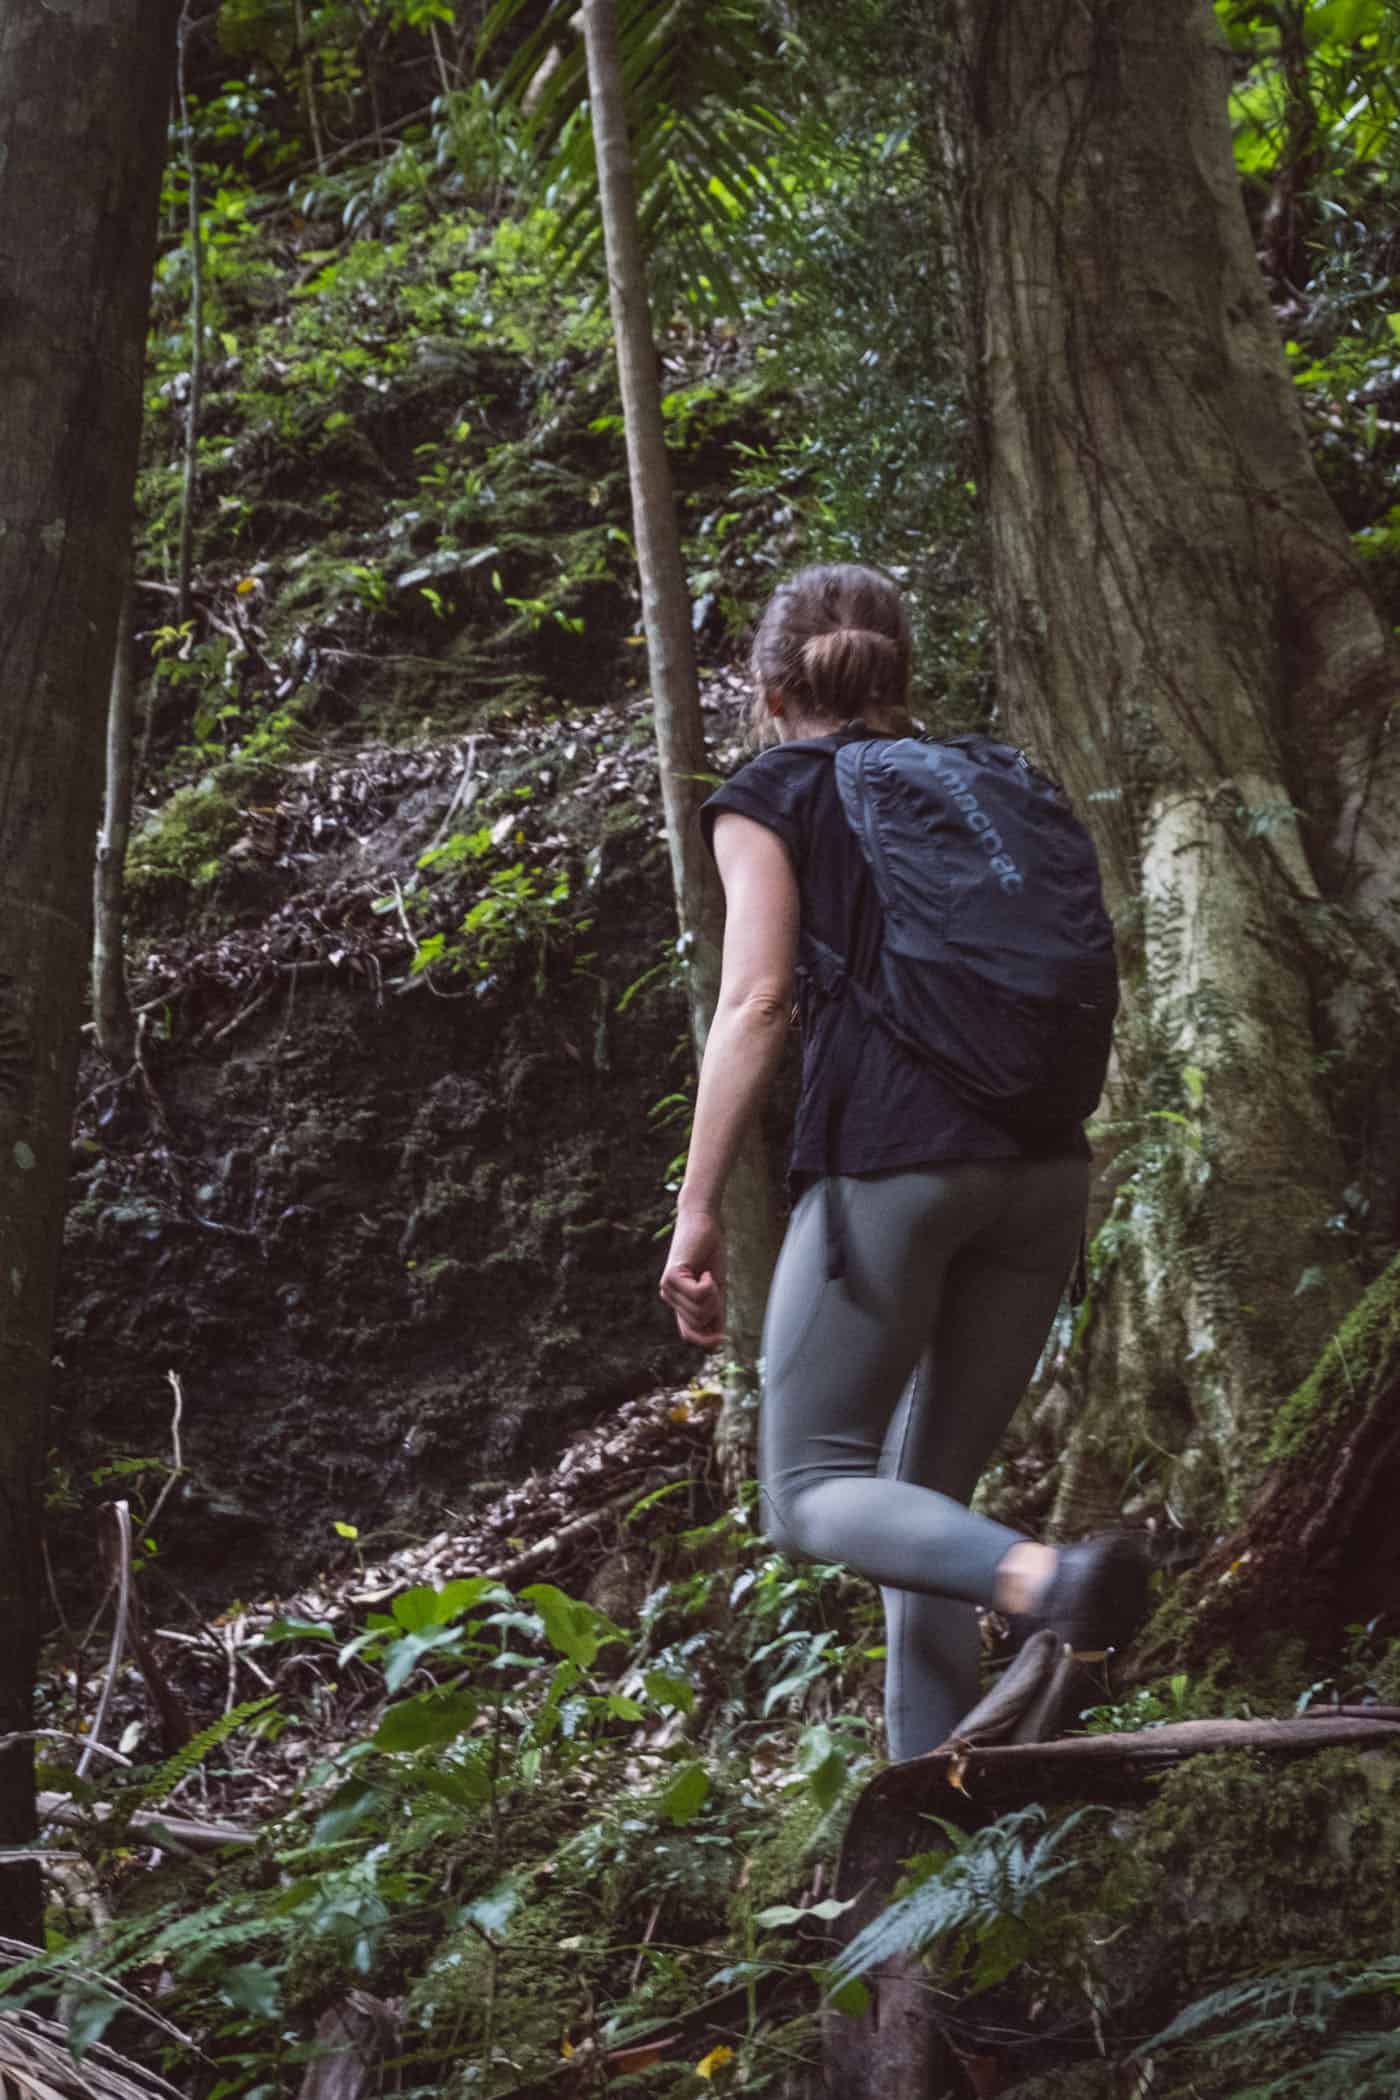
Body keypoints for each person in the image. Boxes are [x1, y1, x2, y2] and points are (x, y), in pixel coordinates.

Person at [658, 562, 1147, 1761]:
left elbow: (756, 1000)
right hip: (1041, 1171)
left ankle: (1049, 1582)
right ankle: (941, 1811)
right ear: (897, 672)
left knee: (807, 1495)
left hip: (892, 1168)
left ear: (770, 690)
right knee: (920, 1515)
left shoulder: (771, 792)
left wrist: (696, 1206)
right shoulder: (986, 778)